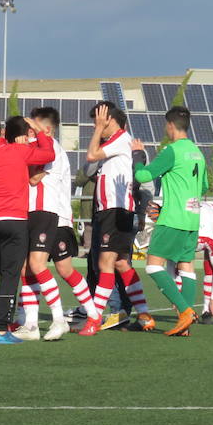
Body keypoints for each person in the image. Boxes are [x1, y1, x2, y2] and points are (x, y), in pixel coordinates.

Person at [0, 112, 55, 344]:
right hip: (14, 221)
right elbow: (49, 153)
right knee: (9, 275)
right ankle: (2, 331)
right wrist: (37, 130)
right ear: (1, 131)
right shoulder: (17, 151)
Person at [133, 105, 208, 337]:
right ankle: (184, 323)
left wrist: (138, 157)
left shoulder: (171, 150)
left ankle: (185, 311)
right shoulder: (198, 152)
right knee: (186, 267)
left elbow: (143, 175)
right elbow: (203, 186)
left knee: (154, 265)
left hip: (173, 218)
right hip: (193, 219)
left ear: (170, 125)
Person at [85, 103, 154, 330]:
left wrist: (98, 129)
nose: (96, 127)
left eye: (98, 121)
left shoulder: (119, 138)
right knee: (122, 263)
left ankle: (94, 319)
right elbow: (89, 169)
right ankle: (144, 314)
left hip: (114, 210)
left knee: (105, 264)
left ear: (108, 120)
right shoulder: (120, 141)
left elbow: (91, 155)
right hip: (117, 210)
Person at [11, 110, 70, 342]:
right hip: (31, 210)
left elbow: (34, 178)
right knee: (25, 268)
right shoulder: (38, 146)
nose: (28, 132)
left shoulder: (50, 147)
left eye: (32, 127)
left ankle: (59, 319)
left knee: (37, 264)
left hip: (45, 210)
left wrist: (20, 153)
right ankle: (31, 324)